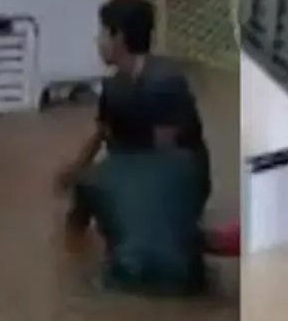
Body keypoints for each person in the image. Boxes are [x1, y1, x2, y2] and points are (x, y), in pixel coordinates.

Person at [58, 0, 212, 218]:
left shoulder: (164, 83)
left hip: (180, 185)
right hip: (141, 173)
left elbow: (168, 157)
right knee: (86, 190)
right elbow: (101, 134)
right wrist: (75, 171)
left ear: (118, 36)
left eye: (102, 33)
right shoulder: (114, 86)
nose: (97, 41)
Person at [66, 90, 209, 296]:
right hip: (189, 278)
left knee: (81, 282)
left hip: (128, 276)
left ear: (107, 130)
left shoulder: (92, 177)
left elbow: (73, 240)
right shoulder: (188, 164)